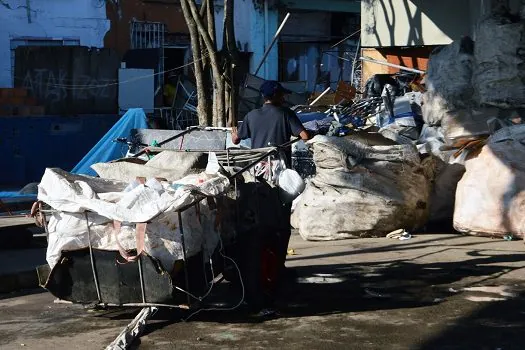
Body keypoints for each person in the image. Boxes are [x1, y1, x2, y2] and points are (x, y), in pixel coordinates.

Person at [231, 80, 309, 316]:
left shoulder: (252, 116)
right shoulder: (285, 113)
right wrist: (311, 133)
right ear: (275, 96)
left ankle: (262, 266)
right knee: (281, 224)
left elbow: (236, 140)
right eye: (282, 95)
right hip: (280, 177)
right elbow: (304, 136)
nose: (284, 98)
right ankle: (277, 267)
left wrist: (235, 131)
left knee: (259, 221)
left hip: (257, 176)